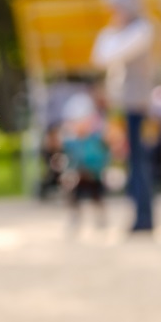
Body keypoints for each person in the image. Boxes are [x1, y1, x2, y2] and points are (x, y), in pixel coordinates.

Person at [91, 0, 156, 232]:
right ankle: (139, 215)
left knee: (140, 162)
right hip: (128, 106)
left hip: (139, 106)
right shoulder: (130, 31)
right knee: (133, 162)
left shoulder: (142, 29)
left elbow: (105, 55)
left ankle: (145, 217)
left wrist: (114, 29)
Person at [59, 92, 109, 230]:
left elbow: (102, 156)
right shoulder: (72, 141)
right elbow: (67, 154)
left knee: (96, 196)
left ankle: (101, 217)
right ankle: (75, 217)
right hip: (79, 174)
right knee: (73, 194)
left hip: (93, 174)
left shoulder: (95, 140)